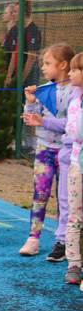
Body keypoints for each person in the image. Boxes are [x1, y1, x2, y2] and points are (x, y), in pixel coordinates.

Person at [18, 44, 77, 261]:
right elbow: (33, 118)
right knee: (40, 194)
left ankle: (61, 242)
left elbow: (71, 123)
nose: (42, 67)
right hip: (44, 149)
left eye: (47, 63)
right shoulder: (43, 90)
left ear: (63, 65)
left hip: (67, 152)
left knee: (65, 199)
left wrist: (44, 121)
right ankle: (33, 238)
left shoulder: (76, 92)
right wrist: (31, 103)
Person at [62, 53, 83, 285]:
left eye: (74, 70)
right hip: (78, 166)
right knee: (74, 216)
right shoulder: (76, 102)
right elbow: (75, 133)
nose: (69, 74)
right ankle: (74, 264)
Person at [3, 0, 42, 89]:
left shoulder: (33, 30)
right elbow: (14, 54)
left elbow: (31, 58)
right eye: (12, 12)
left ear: (23, 12)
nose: (12, 14)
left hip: (29, 76)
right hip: (17, 73)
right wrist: (8, 76)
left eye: (15, 12)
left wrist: (22, 79)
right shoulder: (15, 29)